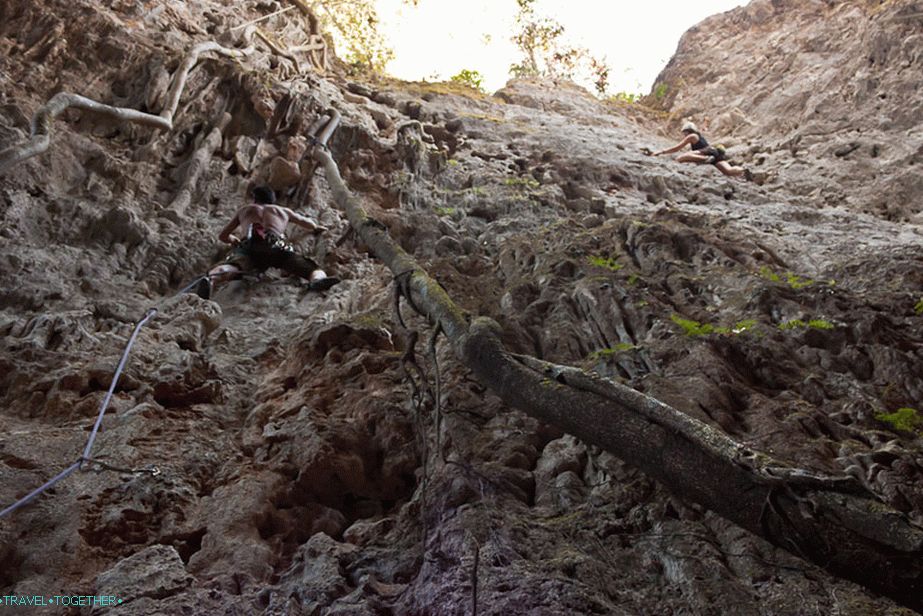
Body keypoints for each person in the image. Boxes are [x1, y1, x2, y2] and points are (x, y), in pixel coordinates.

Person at [195, 186, 340, 299]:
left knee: (232, 266)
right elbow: (306, 222)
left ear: (255, 199)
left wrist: (234, 240)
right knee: (311, 268)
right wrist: (316, 227)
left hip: (250, 246)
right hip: (277, 247)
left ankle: (211, 280)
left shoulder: (245, 210)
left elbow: (223, 236)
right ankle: (316, 280)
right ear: (272, 200)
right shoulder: (282, 211)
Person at [649, 121, 753, 180]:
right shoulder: (699, 137)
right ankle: (744, 170)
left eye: (684, 133)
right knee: (729, 171)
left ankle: (706, 159)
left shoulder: (692, 136)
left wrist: (661, 152)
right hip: (715, 153)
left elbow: (677, 148)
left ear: (687, 131)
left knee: (681, 157)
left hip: (706, 152)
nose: (684, 135)